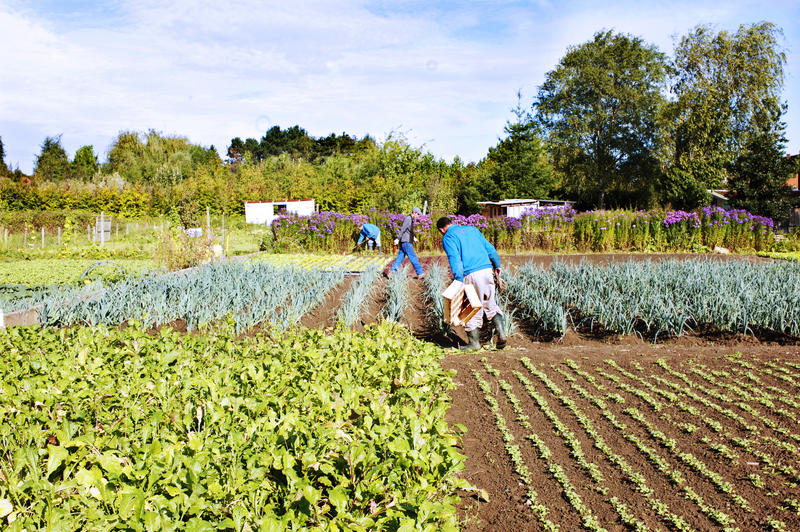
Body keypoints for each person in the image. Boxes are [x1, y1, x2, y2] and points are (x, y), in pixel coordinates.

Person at [437, 216, 506, 350]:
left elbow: (455, 259)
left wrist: (458, 280)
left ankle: (474, 344)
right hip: (487, 270)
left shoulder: (448, 237)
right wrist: (497, 265)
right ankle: (501, 334)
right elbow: (490, 248)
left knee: (470, 308)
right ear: (452, 223)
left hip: (471, 274)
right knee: (490, 304)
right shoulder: (472, 229)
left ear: (441, 229)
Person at [387, 207, 424, 279]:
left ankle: (392, 273)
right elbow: (403, 229)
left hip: (405, 241)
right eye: (418, 214)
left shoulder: (411, 219)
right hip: (406, 242)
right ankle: (420, 273)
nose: (418, 216)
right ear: (414, 212)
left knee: (400, 257)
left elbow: (408, 230)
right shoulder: (408, 219)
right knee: (413, 257)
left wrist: (413, 238)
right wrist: (397, 238)